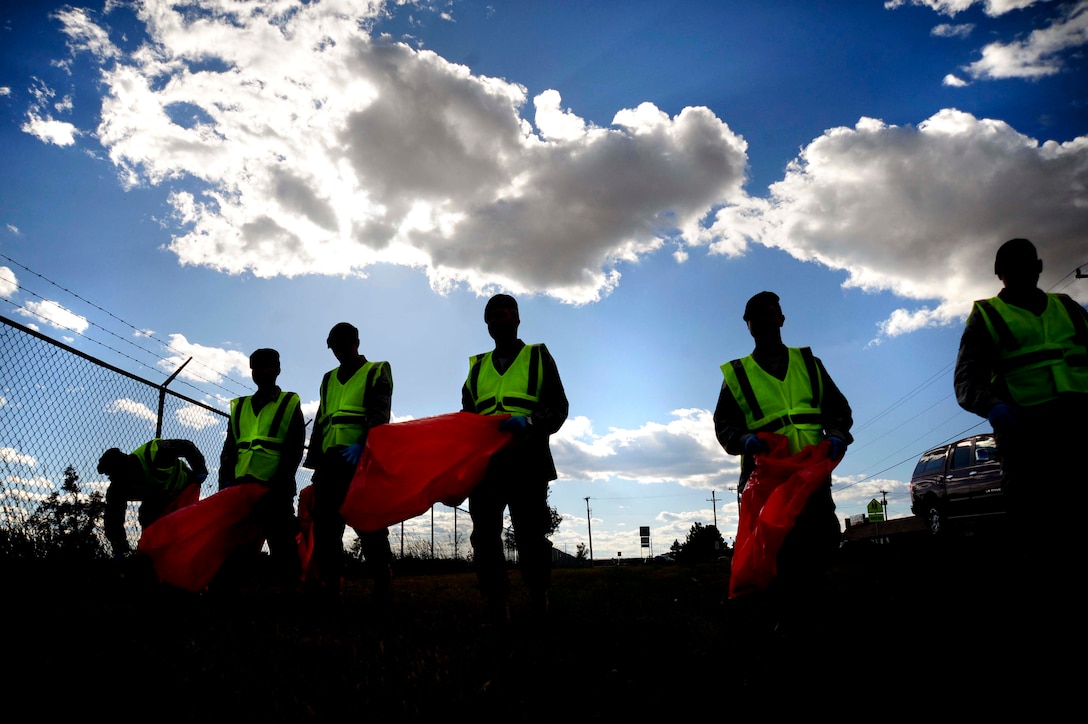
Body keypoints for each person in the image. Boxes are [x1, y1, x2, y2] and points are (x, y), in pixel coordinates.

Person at [713, 291, 852, 646]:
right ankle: (785, 619)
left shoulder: (809, 363)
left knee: (821, 540)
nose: (766, 321)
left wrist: (836, 434)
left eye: (772, 314)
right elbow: (724, 424)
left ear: (782, 319)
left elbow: (838, 409)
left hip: (811, 476)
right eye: (757, 316)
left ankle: (808, 612)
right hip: (767, 479)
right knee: (778, 551)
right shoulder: (738, 374)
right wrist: (742, 440)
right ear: (748, 326)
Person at [954, 238, 1088, 559]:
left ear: (1039, 268)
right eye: (1014, 269)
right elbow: (966, 379)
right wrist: (992, 405)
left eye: (1026, 267)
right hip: (1026, 433)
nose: (1021, 274)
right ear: (1000, 274)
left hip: (1078, 426)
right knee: (1034, 520)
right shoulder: (988, 315)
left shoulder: (1067, 306)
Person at [461, 294, 569, 626]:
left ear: (517, 319)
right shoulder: (477, 368)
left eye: (503, 314)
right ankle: (498, 606)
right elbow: (467, 417)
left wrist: (532, 422)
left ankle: (540, 602)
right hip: (487, 465)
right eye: (491, 316)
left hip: (528, 460)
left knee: (530, 535)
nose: (497, 320)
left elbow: (559, 407)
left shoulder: (537, 357)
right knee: (484, 536)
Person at [302, 322, 394, 601]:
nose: (339, 352)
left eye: (343, 345)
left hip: (359, 461)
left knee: (369, 526)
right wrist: (315, 462)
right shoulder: (328, 378)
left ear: (356, 342)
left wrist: (362, 445)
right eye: (334, 347)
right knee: (326, 530)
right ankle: (331, 587)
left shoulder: (377, 370)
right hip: (330, 464)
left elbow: (379, 413)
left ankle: (382, 584)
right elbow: (321, 420)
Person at [219, 347, 306, 589]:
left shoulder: (289, 403)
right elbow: (230, 449)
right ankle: (231, 592)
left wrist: (279, 483)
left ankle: (291, 592)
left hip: (274, 488)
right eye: (256, 367)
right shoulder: (240, 407)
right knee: (237, 544)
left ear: (277, 370)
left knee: (282, 543)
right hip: (241, 486)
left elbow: (294, 448)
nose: (261, 371)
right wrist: (225, 482)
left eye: (266, 366)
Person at [98, 439, 208, 558]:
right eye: (115, 478)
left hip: (185, 489)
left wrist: (200, 469)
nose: (126, 482)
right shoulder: (118, 487)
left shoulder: (155, 454)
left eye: (124, 475)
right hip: (161, 496)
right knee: (147, 518)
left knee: (183, 534)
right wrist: (119, 548)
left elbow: (186, 446)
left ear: (129, 462)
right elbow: (113, 518)